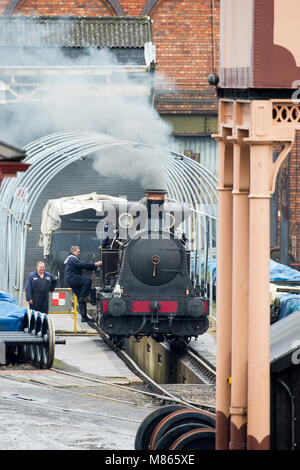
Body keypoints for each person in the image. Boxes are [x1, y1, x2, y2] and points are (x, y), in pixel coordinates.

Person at [64, 246, 102, 322]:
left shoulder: (74, 259)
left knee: (80, 298)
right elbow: (83, 265)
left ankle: (84, 317)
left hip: (72, 279)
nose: (79, 253)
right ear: (73, 252)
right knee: (88, 280)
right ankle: (83, 297)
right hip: (73, 278)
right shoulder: (72, 259)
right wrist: (95, 264)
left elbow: (84, 266)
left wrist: (95, 267)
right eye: (78, 252)